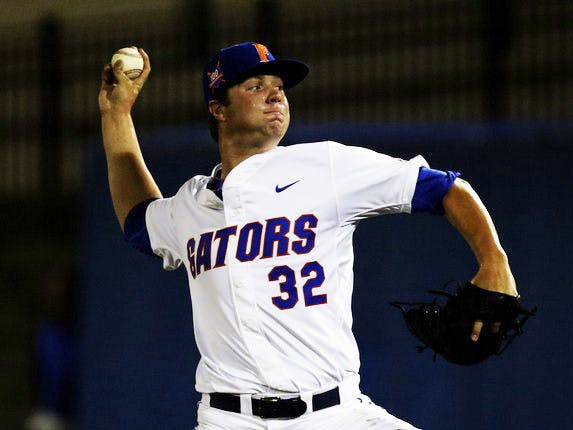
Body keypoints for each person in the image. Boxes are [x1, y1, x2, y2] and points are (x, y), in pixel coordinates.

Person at [98, 42, 518, 429]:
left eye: (280, 86)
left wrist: (493, 258)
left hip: (335, 414)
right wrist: (116, 116)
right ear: (218, 109)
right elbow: (138, 221)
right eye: (256, 85)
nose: (275, 94)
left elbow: (444, 188)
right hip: (229, 420)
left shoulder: (324, 166)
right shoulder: (192, 204)